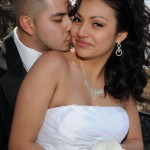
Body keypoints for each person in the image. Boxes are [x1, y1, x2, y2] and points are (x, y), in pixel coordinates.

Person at [9, 0, 150, 149]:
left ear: (120, 35)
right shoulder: (52, 65)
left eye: (97, 24)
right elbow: (19, 145)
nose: (81, 32)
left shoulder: (120, 80)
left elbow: (136, 142)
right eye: (78, 19)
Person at [0, 0, 77, 149]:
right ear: (28, 25)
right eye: (58, 19)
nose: (70, 25)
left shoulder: (87, 59)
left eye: (71, 14)